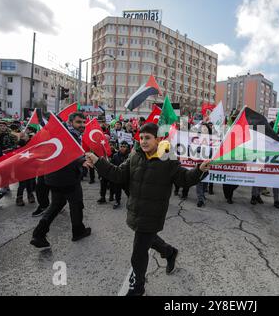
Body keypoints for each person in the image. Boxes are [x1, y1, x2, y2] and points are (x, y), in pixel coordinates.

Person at [85, 123, 211, 296]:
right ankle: (169, 252)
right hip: (136, 210)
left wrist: (199, 170)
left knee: (138, 253)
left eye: (148, 138)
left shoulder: (168, 159)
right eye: (141, 138)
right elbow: (117, 174)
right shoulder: (135, 156)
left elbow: (184, 179)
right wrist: (98, 161)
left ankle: (138, 288)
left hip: (153, 214)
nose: (143, 141)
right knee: (148, 239)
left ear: (157, 139)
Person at [30, 112, 91, 248]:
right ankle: (78, 231)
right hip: (67, 178)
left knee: (56, 204)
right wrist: (82, 160)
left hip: (54, 178)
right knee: (76, 204)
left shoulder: (63, 133)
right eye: (78, 122)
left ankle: (38, 234)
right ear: (70, 123)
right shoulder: (67, 135)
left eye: (83, 122)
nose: (82, 125)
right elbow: (67, 153)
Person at [110, 141, 131, 209]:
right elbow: (112, 165)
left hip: (126, 177)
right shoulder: (115, 155)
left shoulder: (130, 156)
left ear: (127, 148)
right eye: (121, 146)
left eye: (124, 147)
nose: (122, 148)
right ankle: (117, 201)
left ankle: (131, 202)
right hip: (118, 176)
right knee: (117, 190)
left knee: (128, 191)